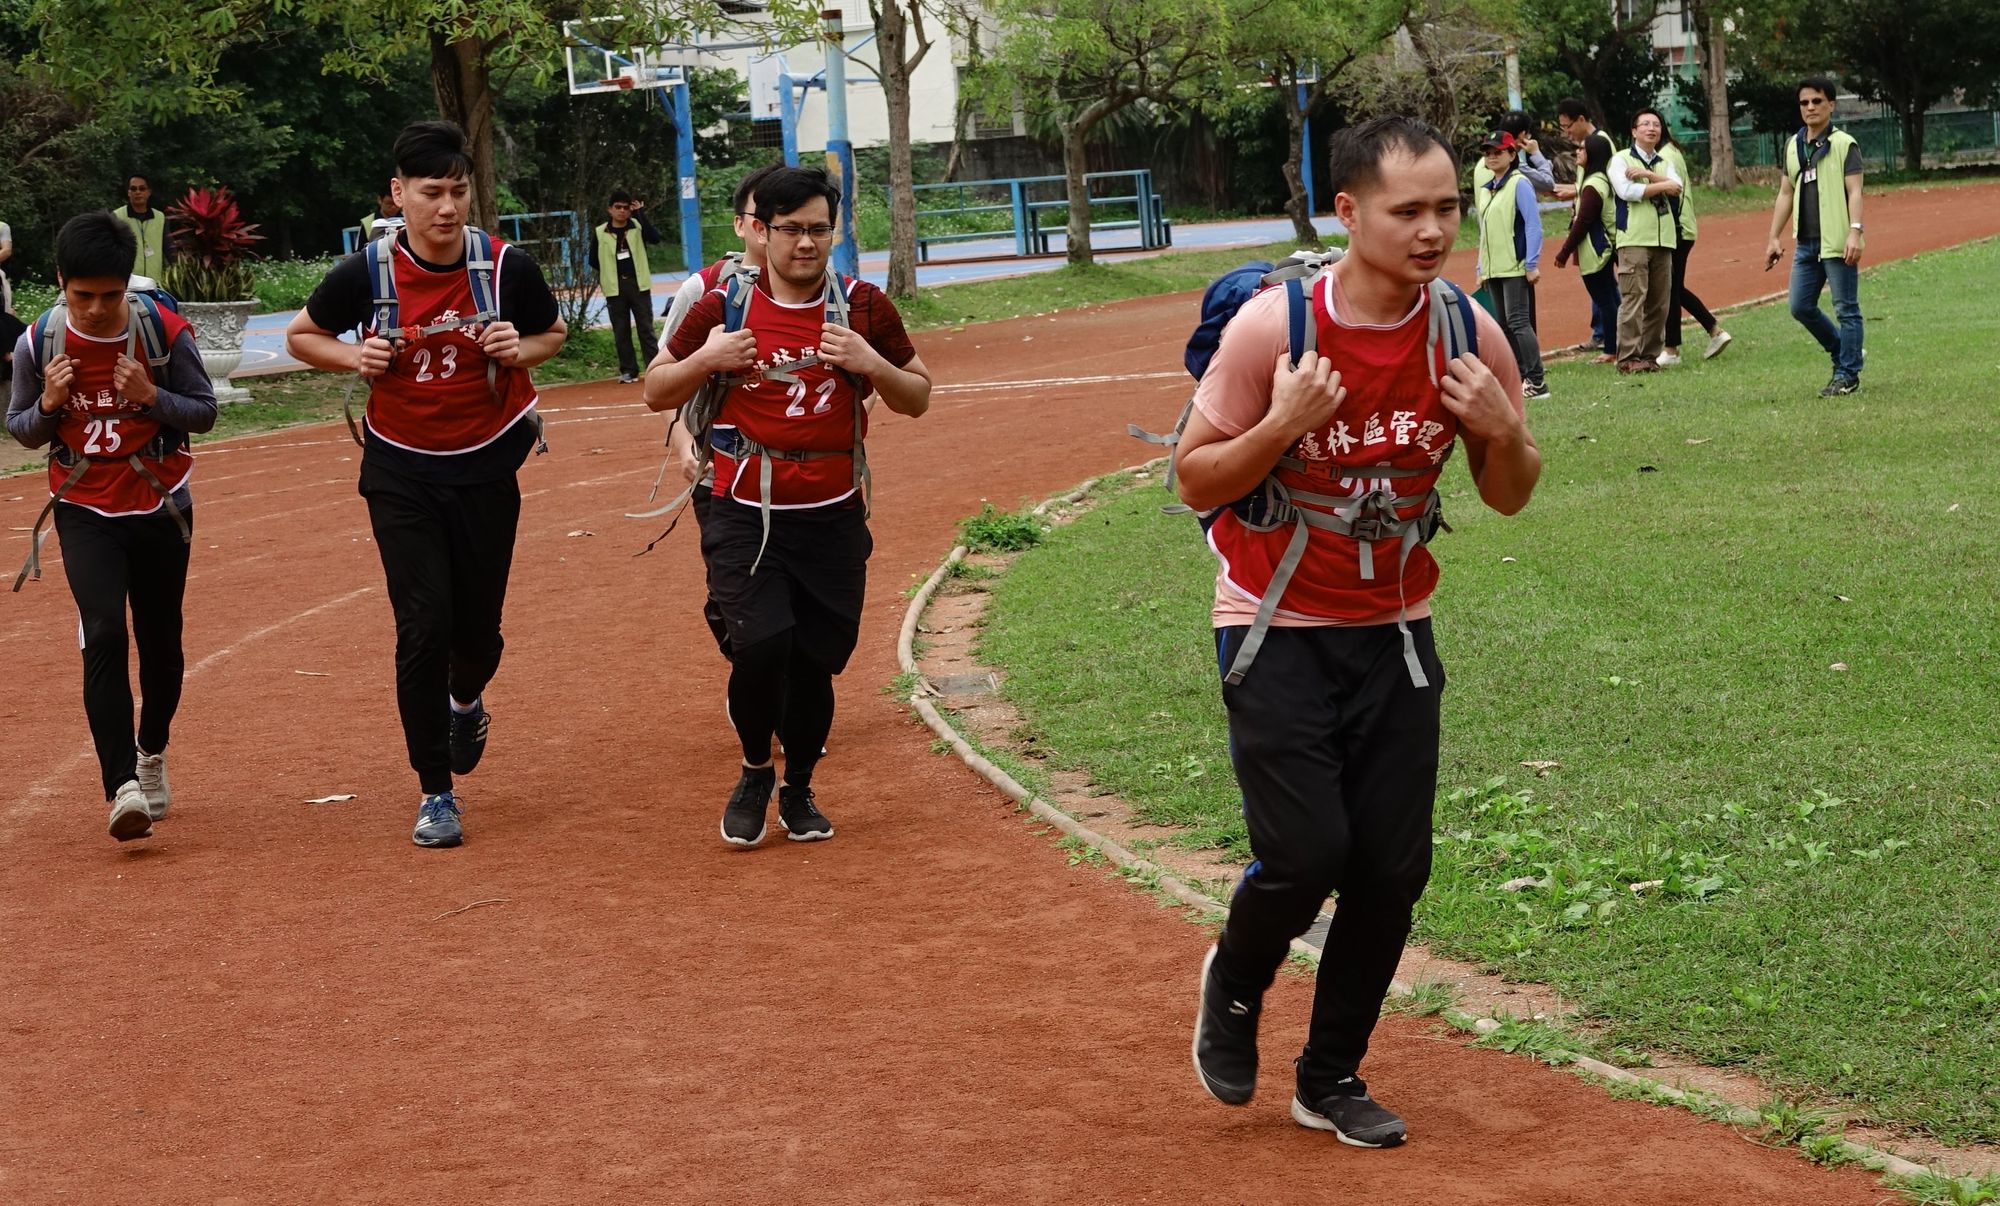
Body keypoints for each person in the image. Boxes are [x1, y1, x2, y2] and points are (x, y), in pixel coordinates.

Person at [1178, 116, 1540, 1148]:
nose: (1432, 231)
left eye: (1446, 209)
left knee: (1389, 872)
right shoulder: (1273, 331)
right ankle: (1235, 980)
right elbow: (1193, 478)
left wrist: (1503, 430)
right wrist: (1281, 425)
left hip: (1395, 630)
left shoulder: (1468, 334)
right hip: (1274, 624)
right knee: (1303, 855)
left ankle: (1329, 1075)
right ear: (1347, 212)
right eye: (1406, 210)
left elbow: (1509, 494)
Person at [284, 120, 568, 849]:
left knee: (477, 635)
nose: (447, 207)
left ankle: (465, 700)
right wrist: (355, 359)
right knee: (422, 625)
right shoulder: (366, 273)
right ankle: (435, 791)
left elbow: (552, 334)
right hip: (400, 469)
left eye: (458, 191)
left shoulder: (504, 268)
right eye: (431, 192)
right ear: (398, 193)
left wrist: (519, 346)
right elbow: (302, 336)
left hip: (485, 464)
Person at [642, 165, 932, 848]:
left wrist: (870, 362)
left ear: (835, 232)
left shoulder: (863, 307)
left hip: (833, 513)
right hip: (744, 508)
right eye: (792, 229)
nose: (806, 243)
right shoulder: (724, 307)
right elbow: (657, 391)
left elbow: (917, 395)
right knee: (761, 645)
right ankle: (754, 771)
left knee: (814, 661)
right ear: (762, 231)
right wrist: (708, 358)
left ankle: (798, 786)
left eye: (819, 230)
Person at [6, 211, 218, 841]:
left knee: (161, 642)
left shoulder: (164, 334)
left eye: (109, 295)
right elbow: (21, 429)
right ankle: (121, 785)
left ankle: (151, 754)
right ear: (60, 281)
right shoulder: (39, 342)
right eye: (82, 296)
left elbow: (204, 412)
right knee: (102, 632)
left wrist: (151, 396)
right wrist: (49, 404)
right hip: (84, 507)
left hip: (160, 506)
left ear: (127, 285)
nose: (96, 310)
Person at [1765, 75, 1865, 397]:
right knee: (1799, 306)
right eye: (1804, 102)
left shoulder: (1844, 144)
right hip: (1806, 243)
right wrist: (1774, 237)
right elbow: (1785, 193)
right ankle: (1844, 352)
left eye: (1817, 101)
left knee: (1846, 308)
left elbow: (1855, 191)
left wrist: (1855, 231)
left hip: (1837, 241)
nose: (1810, 107)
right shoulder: (1793, 146)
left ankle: (1847, 374)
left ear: (1831, 105)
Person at [1473, 130, 1548, 399]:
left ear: (1512, 155)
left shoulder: (1519, 183)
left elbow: (1533, 225)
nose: (1492, 157)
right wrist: (1481, 267)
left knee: (1518, 322)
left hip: (1514, 266)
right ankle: (1519, 378)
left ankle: (1537, 381)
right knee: (1503, 325)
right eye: (1488, 153)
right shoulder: (1487, 190)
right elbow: (1485, 232)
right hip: (1493, 268)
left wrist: (1531, 263)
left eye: (1498, 152)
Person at [1608, 109, 1684, 373]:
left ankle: (1650, 357)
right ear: (1634, 131)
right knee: (1633, 298)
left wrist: (1650, 177)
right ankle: (1628, 357)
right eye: (1645, 124)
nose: (1652, 128)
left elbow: (1677, 187)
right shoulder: (1620, 159)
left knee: (1660, 303)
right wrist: (1663, 185)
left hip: (1664, 240)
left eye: (1656, 124)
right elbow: (1627, 191)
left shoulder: (1664, 161)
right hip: (1634, 239)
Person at [1653, 120, 1731, 364]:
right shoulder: (1670, 151)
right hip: (1682, 228)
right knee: (1674, 288)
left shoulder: (1665, 155)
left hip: (1677, 230)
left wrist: (1672, 228)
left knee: (1671, 289)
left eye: (1652, 125)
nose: (1648, 130)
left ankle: (1672, 349)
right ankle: (1713, 331)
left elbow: (1673, 194)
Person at [1553, 133, 1621, 363]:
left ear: (1593, 153)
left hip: (1597, 250)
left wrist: (1564, 253)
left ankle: (1610, 349)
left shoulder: (1592, 186)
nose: (1578, 152)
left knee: (1605, 301)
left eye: (1582, 148)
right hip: (1606, 248)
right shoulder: (1600, 180)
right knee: (1611, 298)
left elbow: (1582, 223)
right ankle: (1619, 343)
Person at [590, 191, 665, 384]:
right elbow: (593, 260)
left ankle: (654, 368)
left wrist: (640, 213)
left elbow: (655, 238)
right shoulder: (600, 232)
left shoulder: (637, 227)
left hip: (638, 284)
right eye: (618, 207)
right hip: (615, 287)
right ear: (610, 209)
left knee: (646, 328)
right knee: (621, 331)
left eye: (626, 207)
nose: (622, 211)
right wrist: (609, 274)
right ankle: (629, 370)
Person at [114, 175, 170, 277]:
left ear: (149, 192)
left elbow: (169, 248)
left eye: (142, 188)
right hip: (128, 280)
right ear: (128, 192)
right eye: (133, 189)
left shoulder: (160, 217)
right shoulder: (117, 216)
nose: (138, 192)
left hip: (154, 280)